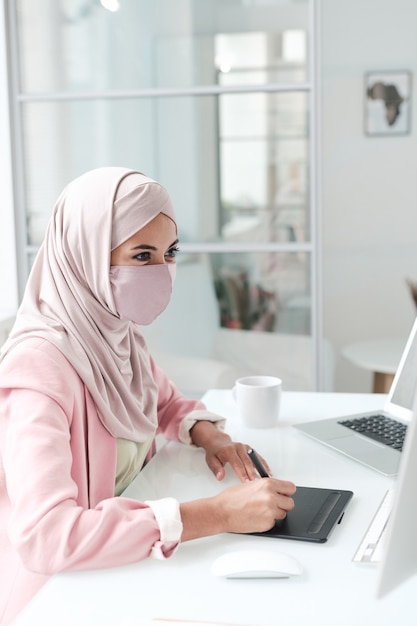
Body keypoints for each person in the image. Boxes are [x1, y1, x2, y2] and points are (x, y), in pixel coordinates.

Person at [0, 167, 296, 625]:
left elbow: (164, 402)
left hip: (124, 572)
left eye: (169, 252)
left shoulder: (114, 333)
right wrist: (214, 515)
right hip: (61, 596)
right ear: (86, 255)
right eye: (142, 255)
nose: (162, 272)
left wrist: (209, 436)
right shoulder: (39, 368)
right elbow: (45, 536)